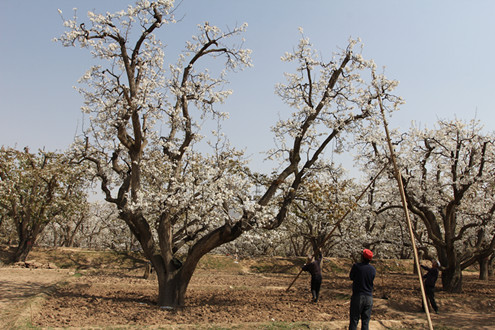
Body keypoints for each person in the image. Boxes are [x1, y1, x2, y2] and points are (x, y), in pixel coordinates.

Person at [349, 248, 376, 330]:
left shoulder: (356, 266)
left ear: (362, 257)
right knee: (365, 321)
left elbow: (351, 277)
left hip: (358, 296)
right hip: (369, 297)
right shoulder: (373, 270)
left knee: (354, 319)